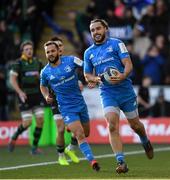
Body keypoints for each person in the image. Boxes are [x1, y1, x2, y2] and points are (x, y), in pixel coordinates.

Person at [84, 19, 154, 174]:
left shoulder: (117, 44)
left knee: (135, 126)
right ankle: (121, 161)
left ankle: (145, 140)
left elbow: (128, 64)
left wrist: (123, 76)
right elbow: (87, 74)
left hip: (125, 91)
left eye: (98, 29)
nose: (95, 32)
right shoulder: (88, 53)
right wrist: (96, 79)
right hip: (107, 92)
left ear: (105, 29)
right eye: (92, 30)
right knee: (112, 125)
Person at [40, 41, 100, 171]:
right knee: (80, 134)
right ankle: (93, 161)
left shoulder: (71, 60)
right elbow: (43, 85)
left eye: (52, 51)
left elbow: (86, 66)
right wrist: (46, 96)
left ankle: (70, 144)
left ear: (58, 51)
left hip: (80, 104)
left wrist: (92, 79)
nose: (50, 54)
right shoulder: (45, 72)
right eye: (47, 52)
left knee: (86, 133)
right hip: (66, 108)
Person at [8, 40, 44, 155]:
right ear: (22, 51)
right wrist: (19, 92)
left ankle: (34, 147)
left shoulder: (37, 62)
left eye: (31, 49)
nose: (29, 51)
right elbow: (12, 80)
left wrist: (41, 77)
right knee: (27, 123)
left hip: (37, 95)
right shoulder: (18, 63)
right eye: (26, 49)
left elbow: (45, 76)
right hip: (25, 96)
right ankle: (14, 136)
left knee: (40, 120)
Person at [49, 36, 80, 165]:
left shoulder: (70, 61)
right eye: (56, 46)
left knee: (79, 128)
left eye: (60, 45)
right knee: (61, 129)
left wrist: (79, 81)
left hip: (72, 99)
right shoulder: (48, 67)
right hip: (57, 100)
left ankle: (71, 149)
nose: (59, 48)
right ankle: (61, 155)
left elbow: (79, 72)